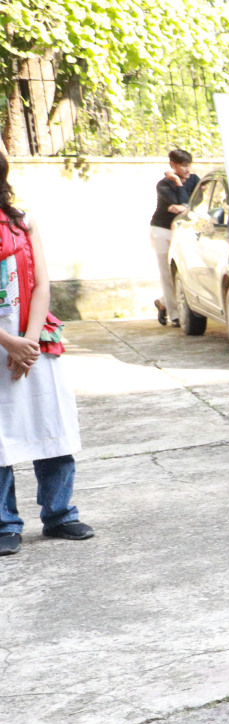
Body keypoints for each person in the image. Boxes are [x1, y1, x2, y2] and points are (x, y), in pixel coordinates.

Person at [0, 152, 90, 556]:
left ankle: (60, 514)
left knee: (49, 422)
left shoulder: (23, 221)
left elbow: (41, 284)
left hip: (33, 339)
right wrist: (9, 342)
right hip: (6, 342)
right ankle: (5, 524)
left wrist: (29, 342)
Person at [149, 148, 199, 327]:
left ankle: (163, 302)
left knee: (185, 271)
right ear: (173, 165)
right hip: (162, 230)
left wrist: (184, 207)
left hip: (183, 230)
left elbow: (190, 204)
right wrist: (177, 182)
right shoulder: (163, 185)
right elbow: (184, 203)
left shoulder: (194, 180)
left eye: (189, 165)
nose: (187, 169)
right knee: (167, 273)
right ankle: (175, 314)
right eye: (183, 165)